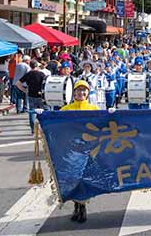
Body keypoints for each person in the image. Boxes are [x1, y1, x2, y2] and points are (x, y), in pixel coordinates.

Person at [56, 80, 99, 223]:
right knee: (73, 179)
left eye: (84, 90)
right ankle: (76, 206)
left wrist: (111, 114)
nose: (81, 93)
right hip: (70, 152)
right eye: (79, 90)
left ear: (88, 93)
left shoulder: (94, 109)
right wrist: (42, 114)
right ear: (74, 92)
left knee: (84, 179)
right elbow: (55, 124)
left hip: (88, 151)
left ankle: (83, 208)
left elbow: (102, 125)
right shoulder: (65, 109)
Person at [16, 60, 47, 134]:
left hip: (31, 95)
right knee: (43, 112)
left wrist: (24, 90)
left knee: (32, 112)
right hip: (40, 95)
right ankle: (43, 128)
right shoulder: (42, 74)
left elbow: (18, 83)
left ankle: (33, 130)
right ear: (36, 66)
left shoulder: (28, 74)